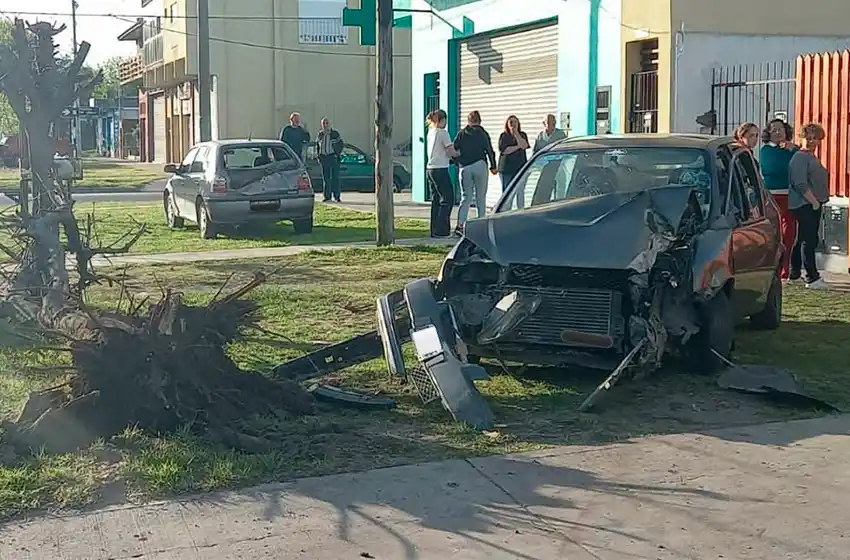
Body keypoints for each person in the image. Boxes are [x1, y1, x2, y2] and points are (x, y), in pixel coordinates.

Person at [788, 122, 829, 289]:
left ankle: (794, 273)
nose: (812, 141)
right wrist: (813, 202)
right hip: (805, 204)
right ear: (801, 138)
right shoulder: (800, 157)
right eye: (808, 138)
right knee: (809, 240)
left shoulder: (810, 157)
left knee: (801, 239)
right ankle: (812, 277)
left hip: (811, 203)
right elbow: (799, 182)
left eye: (815, 138)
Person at [760, 119, 798, 280]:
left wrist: (794, 150)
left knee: (789, 234)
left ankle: (785, 269)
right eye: (773, 129)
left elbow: (801, 167)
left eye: (780, 129)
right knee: (774, 232)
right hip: (772, 195)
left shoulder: (793, 149)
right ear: (768, 133)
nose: (777, 132)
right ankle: (771, 267)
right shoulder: (766, 150)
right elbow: (771, 169)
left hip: (791, 195)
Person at [452, 110, 497, 235]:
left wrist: (457, 162)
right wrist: (493, 166)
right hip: (480, 165)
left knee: (466, 197)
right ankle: (481, 223)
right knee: (480, 196)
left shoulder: (461, 133)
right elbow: (489, 150)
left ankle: (460, 224)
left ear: (468, 121)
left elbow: (454, 149)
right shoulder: (483, 134)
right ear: (479, 120)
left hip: (465, 167)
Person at [425, 109, 460, 238]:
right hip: (440, 169)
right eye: (445, 120)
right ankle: (442, 229)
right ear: (442, 120)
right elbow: (450, 151)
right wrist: (459, 154)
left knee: (436, 199)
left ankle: (434, 229)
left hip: (430, 168)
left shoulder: (431, 132)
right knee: (447, 198)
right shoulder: (442, 133)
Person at [497, 115, 529, 207]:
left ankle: (520, 211)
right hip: (506, 169)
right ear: (507, 124)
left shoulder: (522, 135)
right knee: (507, 193)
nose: (513, 124)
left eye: (515, 122)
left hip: (520, 168)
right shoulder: (504, 136)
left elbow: (524, 145)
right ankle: (506, 210)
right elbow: (505, 150)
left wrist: (516, 134)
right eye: (511, 122)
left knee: (520, 192)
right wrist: (518, 146)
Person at [315, 118, 344, 202]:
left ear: (329, 124)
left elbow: (341, 144)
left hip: (333, 157)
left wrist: (336, 154)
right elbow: (317, 145)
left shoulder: (334, 134)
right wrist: (318, 155)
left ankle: (337, 196)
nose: (325, 125)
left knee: (335, 177)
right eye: (323, 123)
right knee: (326, 178)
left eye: (327, 123)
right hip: (324, 157)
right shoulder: (320, 134)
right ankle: (327, 196)